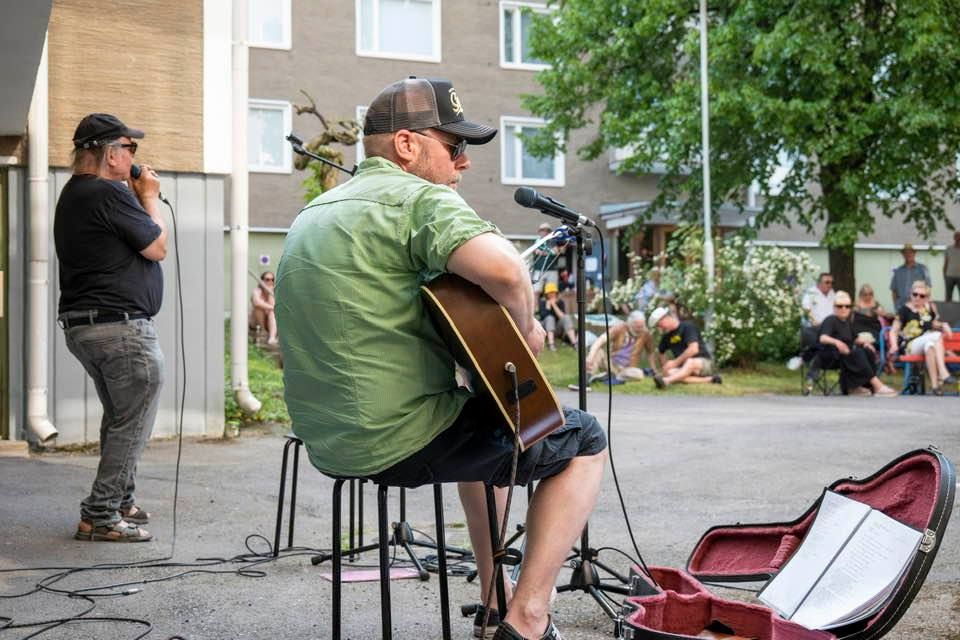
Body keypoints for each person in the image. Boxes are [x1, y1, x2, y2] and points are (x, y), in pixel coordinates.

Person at [275, 77, 607, 640]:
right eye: (453, 148)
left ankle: (495, 596)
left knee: (490, 425)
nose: (463, 164)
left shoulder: (314, 213)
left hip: (328, 441)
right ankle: (528, 617)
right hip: (398, 439)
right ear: (407, 145)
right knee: (581, 439)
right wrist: (526, 332)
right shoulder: (420, 199)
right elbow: (505, 271)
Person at [54, 113, 166, 542]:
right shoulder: (106, 192)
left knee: (122, 417)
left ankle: (120, 500)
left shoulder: (76, 194)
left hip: (86, 327)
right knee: (131, 421)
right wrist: (150, 197)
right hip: (120, 329)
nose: (134, 156)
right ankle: (100, 514)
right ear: (107, 151)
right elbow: (157, 246)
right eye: (129, 147)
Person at [817, 292, 898, 397]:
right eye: (840, 306)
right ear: (834, 307)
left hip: (844, 354)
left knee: (867, 351)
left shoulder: (847, 322)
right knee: (856, 353)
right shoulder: (831, 320)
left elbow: (855, 338)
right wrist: (837, 342)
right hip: (829, 354)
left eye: (847, 306)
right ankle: (877, 385)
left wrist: (866, 343)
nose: (843, 309)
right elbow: (823, 338)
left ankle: (860, 387)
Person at [888, 280, 957, 395]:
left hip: (926, 341)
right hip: (910, 345)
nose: (917, 298)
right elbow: (893, 331)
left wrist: (943, 324)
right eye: (915, 294)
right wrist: (894, 345)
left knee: (930, 346)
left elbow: (934, 324)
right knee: (936, 335)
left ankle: (935, 387)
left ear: (926, 297)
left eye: (921, 296)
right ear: (910, 294)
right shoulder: (904, 310)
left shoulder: (928, 309)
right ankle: (943, 372)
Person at [648, 307, 721, 387]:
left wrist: (675, 363)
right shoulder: (666, 337)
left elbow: (693, 349)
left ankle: (666, 381)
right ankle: (710, 380)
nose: (660, 328)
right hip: (684, 368)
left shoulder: (687, 326)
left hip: (703, 363)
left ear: (665, 318)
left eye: (659, 325)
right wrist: (665, 366)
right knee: (670, 372)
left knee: (690, 362)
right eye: (658, 327)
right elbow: (661, 352)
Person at [584, 310, 655, 384]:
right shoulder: (619, 327)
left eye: (642, 327)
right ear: (629, 324)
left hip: (627, 369)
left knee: (639, 374)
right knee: (599, 352)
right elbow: (600, 340)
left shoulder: (646, 334)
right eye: (637, 327)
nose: (640, 329)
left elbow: (650, 352)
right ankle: (586, 379)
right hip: (611, 363)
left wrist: (654, 370)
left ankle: (611, 376)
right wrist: (590, 356)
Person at [890, 244, 931, 311]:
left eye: (910, 252)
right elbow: (894, 291)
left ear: (914, 253)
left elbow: (928, 288)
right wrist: (896, 306)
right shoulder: (898, 271)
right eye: (905, 253)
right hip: (902, 306)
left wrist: (925, 305)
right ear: (903, 255)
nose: (908, 254)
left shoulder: (922, 269)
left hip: (918, 306)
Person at [538, 282, 576, 351]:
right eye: (550, 292)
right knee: (550, 318)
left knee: (566, 317)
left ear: (556, 293)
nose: (552, 294)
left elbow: (562, 316)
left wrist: (554, 305)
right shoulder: (542, 302)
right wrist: (548, 306)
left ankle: (574, 343)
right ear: (546, 294)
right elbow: (543, 316)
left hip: (557, 328)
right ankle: (551, 344)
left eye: (553, 292)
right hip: (545, 329)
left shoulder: (560, 302)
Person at [249, 271, 278, 345]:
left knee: (272, 312)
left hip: (269, 322)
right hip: (256, 323)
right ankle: (263, 330)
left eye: (272, 279)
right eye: (267, 279)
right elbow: (257, 302)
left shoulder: (273, 292)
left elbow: (273, 306)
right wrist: (272, 307)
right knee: (258, 308)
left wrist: (270, 294)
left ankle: (272, 338)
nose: (270, 281)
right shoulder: (257, 291)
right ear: (262, 281)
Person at [531, 222, 560, 296]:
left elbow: (556, 252)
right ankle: (536, 307)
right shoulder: (537, 241)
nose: (545, 232)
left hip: (551, 269)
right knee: (536, 291)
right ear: (539, 231)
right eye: (542, 230)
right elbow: (535, 251)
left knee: (551, 290)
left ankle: (550, 305)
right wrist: (548, 252)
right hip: (539, 269)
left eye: (547, 230)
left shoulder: (552, 241)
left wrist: (545, 253)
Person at [944, 230, 960, 302]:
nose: (958, 238)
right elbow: (946, 262)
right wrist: (944, 274)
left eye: (959, 236)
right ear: (954, 238)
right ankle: (947, 312)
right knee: (948, 297)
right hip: (949, 275)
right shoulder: (949, 249)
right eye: (956, 236)